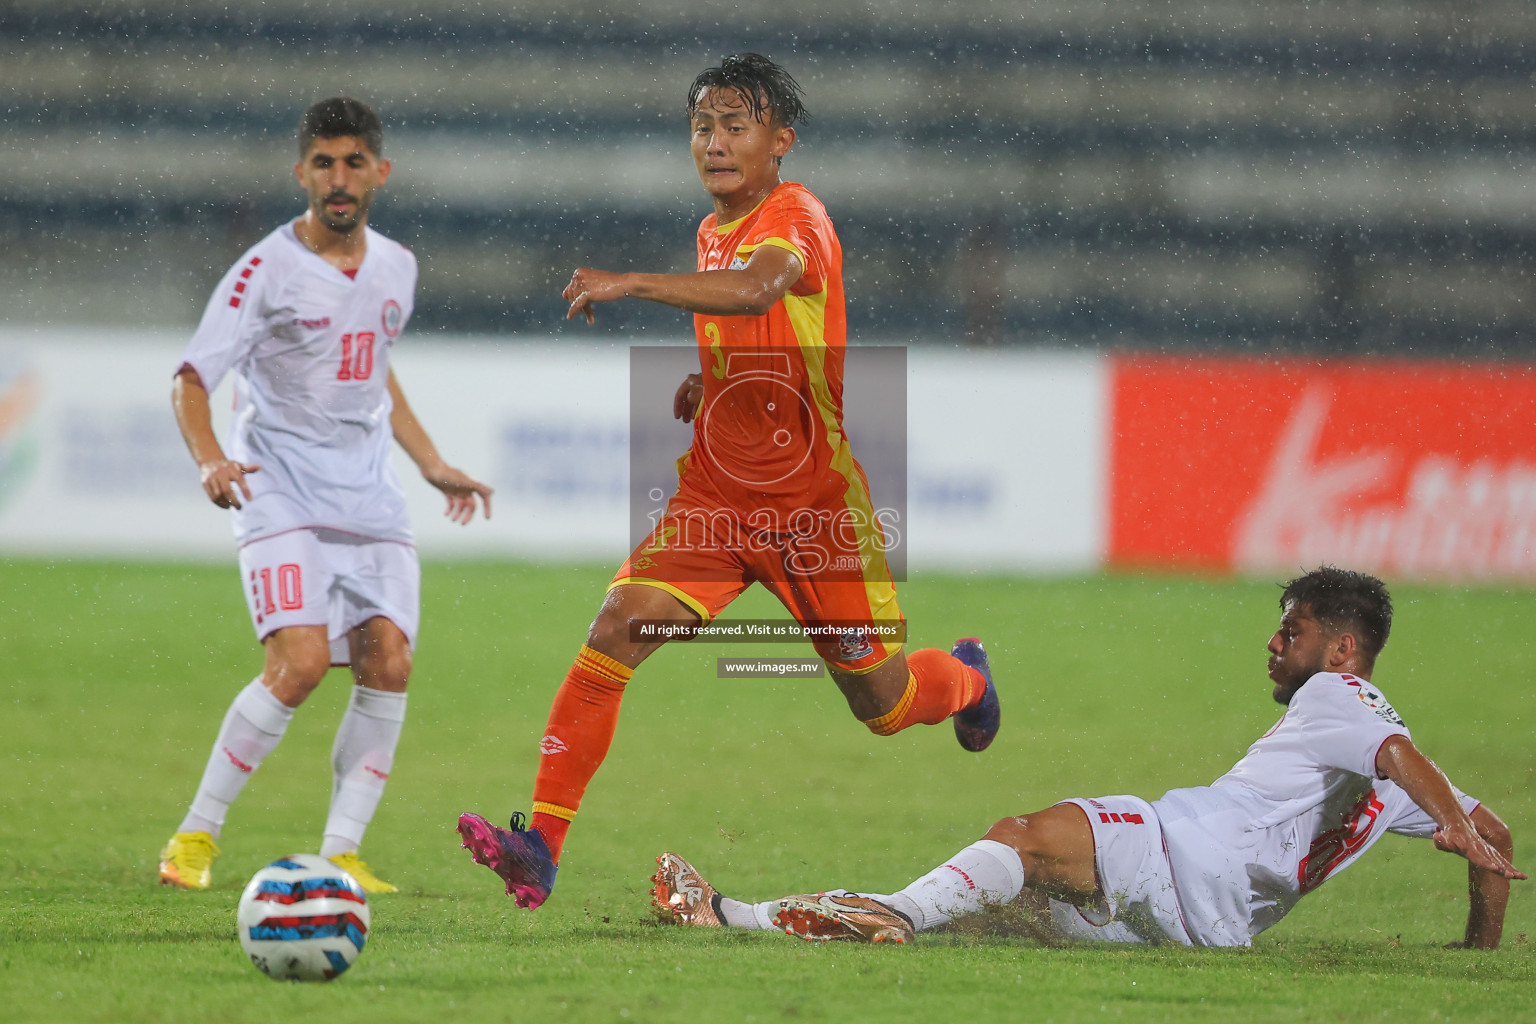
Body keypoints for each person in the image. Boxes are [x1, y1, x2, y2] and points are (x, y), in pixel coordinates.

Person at [456, 53, 999, 909]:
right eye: (702, 127)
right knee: (616, 627)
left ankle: (967, 677)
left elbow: (756, 292)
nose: (713, 142)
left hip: (812, 511)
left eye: (733, 126)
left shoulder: (799, 219)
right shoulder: (715, 228)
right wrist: (714, 383)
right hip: (715, 498)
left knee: (884, 705)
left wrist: (628, 282)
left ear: (780, 141)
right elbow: (757, 321)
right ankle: (540, 846)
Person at [650, 567, 1525, 948]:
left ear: (1340, 650)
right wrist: (1474, 945)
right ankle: (736, 915)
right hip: (1209, 933)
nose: (1272, 644)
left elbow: (1398, 750)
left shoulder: (1341, 699)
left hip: (1172, 850)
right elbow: (1500, 841)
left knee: (1020, 837)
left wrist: (1450, 823)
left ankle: (868, 916)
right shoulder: (1385, 777)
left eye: (1290, 632)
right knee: (984, 919)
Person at [158, 97, 493, 894]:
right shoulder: (263, 271)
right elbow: (192, 378)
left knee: (389, 661)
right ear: (301, 171)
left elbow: (374, 368)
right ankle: (194, 838)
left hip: (368, 493)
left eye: (352, 162)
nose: (338, 179)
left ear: (380, 171)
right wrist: (211, 460)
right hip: (277, 486)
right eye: (322, 163)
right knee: (303, 662)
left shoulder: (398, 268)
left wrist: (431, 462)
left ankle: (341, 853)